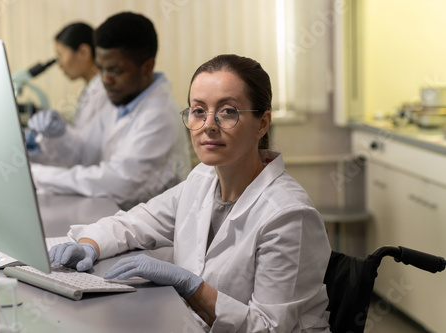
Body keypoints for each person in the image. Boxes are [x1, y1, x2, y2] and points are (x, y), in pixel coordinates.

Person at [49, 54, 332, 332]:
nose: (209, 124)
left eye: (228, 111)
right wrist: (89, 245)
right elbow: (135, 223)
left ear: (262, 123)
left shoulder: (288, 215)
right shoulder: (202, 179)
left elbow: (269, 329)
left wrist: (192, 287)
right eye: (198, 111)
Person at [30, 12, 191, 210]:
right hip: (119, 220)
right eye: (101, 68)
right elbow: (86, 154)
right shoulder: (122, 102)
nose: (106, 80)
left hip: (154, 235)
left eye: (116, 71)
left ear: (147, 67)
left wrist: (40, 176)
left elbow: (117, 182)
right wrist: (60, 138)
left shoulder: (159, 115)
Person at [28, 22, 111, 168]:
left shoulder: (102, 92)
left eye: (61, 55)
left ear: (84, 52)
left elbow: (87, 151)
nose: (59, 64)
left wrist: (59, 135)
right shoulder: (91, 89)